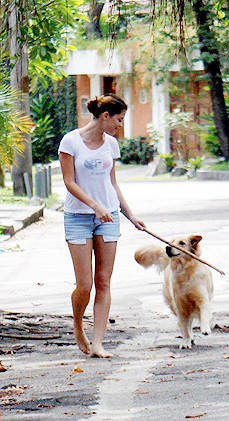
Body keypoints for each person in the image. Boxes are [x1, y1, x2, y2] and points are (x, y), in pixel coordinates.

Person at [58, 93, 145, 358]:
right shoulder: (71, 141)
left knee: (103, 281)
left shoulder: (111, 145)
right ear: (105, 116)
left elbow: (112, 183)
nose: (120, 125)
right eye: (118, 120)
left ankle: (98, 343)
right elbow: (69, 182)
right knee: (84, 285)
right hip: (78, 218)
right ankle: (77, 325)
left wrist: (130, 214)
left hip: (109, 219)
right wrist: (95, 206)